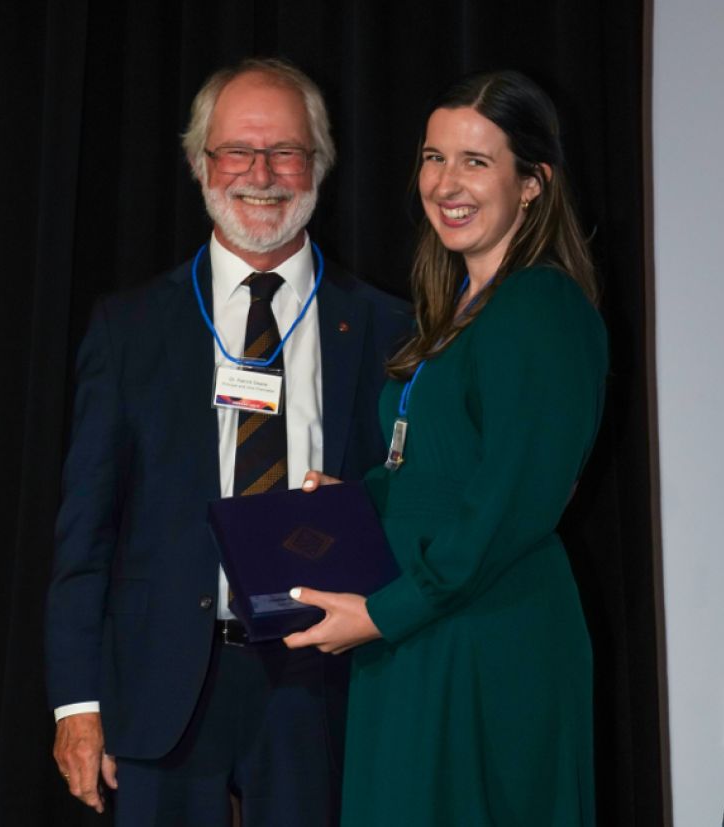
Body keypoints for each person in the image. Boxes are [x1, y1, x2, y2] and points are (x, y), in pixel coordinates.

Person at [45, 57, 409, 827]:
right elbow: (86, 530)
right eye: (238, 151)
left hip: (326, 679)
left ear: (320, 163)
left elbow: (412, 510)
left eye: (286, 152)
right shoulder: (129, 328)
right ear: (199, 163)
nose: (262, 175)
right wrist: (77, 700)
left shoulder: (389, 329)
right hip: (163, 682)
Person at [285, 70, 607, 826]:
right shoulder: (455, 308)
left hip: (482, 636)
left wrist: (385, 613)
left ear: (532, 183)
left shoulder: (541, 305)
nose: (446, 183)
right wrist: (359, 501)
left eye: (476, 161)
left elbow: (507, 506)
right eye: (434, 158)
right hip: (420, 625)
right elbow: (435, 471)